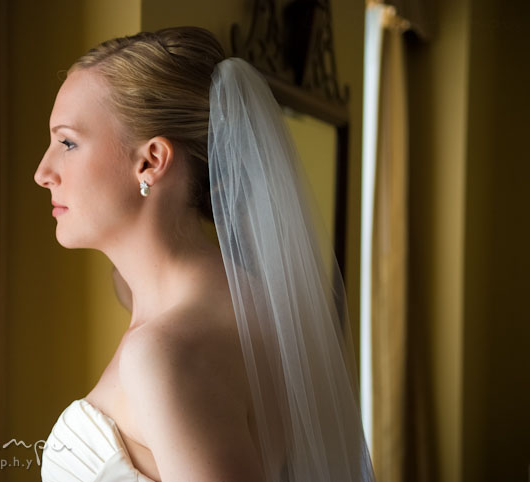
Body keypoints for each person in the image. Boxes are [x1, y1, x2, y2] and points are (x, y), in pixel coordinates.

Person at [35, 26, 374, 482]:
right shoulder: (254, 300)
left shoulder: (165, 350)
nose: (44, 172)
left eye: (68, 142)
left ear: (151, 161)